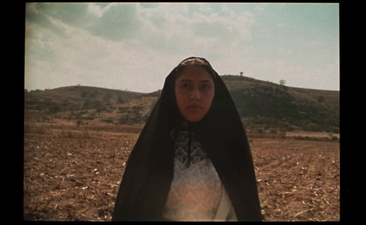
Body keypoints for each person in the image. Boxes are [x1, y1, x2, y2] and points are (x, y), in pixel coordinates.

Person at [112, 57, 263, 221]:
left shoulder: (231, 148)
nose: (195, 95)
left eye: (204, 87)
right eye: (186, 86)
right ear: (173, 90)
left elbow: (243, 210)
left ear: (215, 93)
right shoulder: (153, 147)